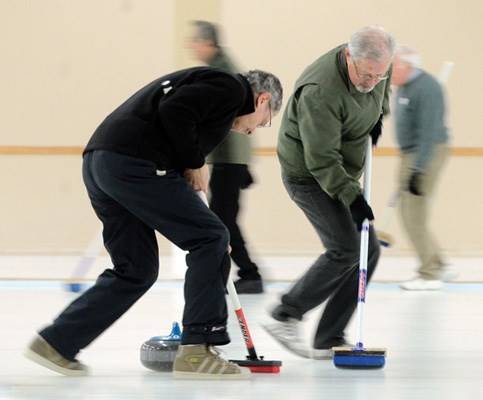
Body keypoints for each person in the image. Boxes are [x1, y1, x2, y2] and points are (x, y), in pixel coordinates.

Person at [24, 67, 283, 380]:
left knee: (137, 269)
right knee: (211, 238)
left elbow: (172, 119)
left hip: (103, 163)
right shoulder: (231, 89)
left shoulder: (213, 88)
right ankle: (197, 350)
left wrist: (186, 166)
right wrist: (195, 162)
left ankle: (56, 343)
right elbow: (176, 110)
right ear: (263, 100)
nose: (255, 131)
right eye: (265, 120)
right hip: (133, 162)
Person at [261, 25, 395, 359]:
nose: (371, 83)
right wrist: (354, 200)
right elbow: (320, 160)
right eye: (365, 76)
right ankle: (285, 314)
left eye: (379, 76)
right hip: (309, 175)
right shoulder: (321, 90)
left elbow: (382, 90)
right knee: (346, 249)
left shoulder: (378, 68)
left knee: (370, 251)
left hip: (341, 171)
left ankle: (329, 336)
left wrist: (378, 115)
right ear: (349, 56)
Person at [188, 21, 264, 294]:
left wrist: (234, 162)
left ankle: (249, 274)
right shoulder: (221, 65)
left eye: (194, 41)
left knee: (222, 220)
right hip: (228, 159)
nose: (191, 46)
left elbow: (230, 120)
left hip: (227, 159)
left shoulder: (221, 70)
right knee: (223, 218)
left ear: (208, 43)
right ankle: (245, 272)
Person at [390, 45, 451, 290]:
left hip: (424, 153)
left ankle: (430, 274)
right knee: (413, 214)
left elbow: (429, 131)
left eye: (392, 67)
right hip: (410, 154)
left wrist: (418, 169)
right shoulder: (405, 86)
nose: (388, 73)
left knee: (413, 216)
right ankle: (438, 264)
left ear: (406, 66)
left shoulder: (427, 88)